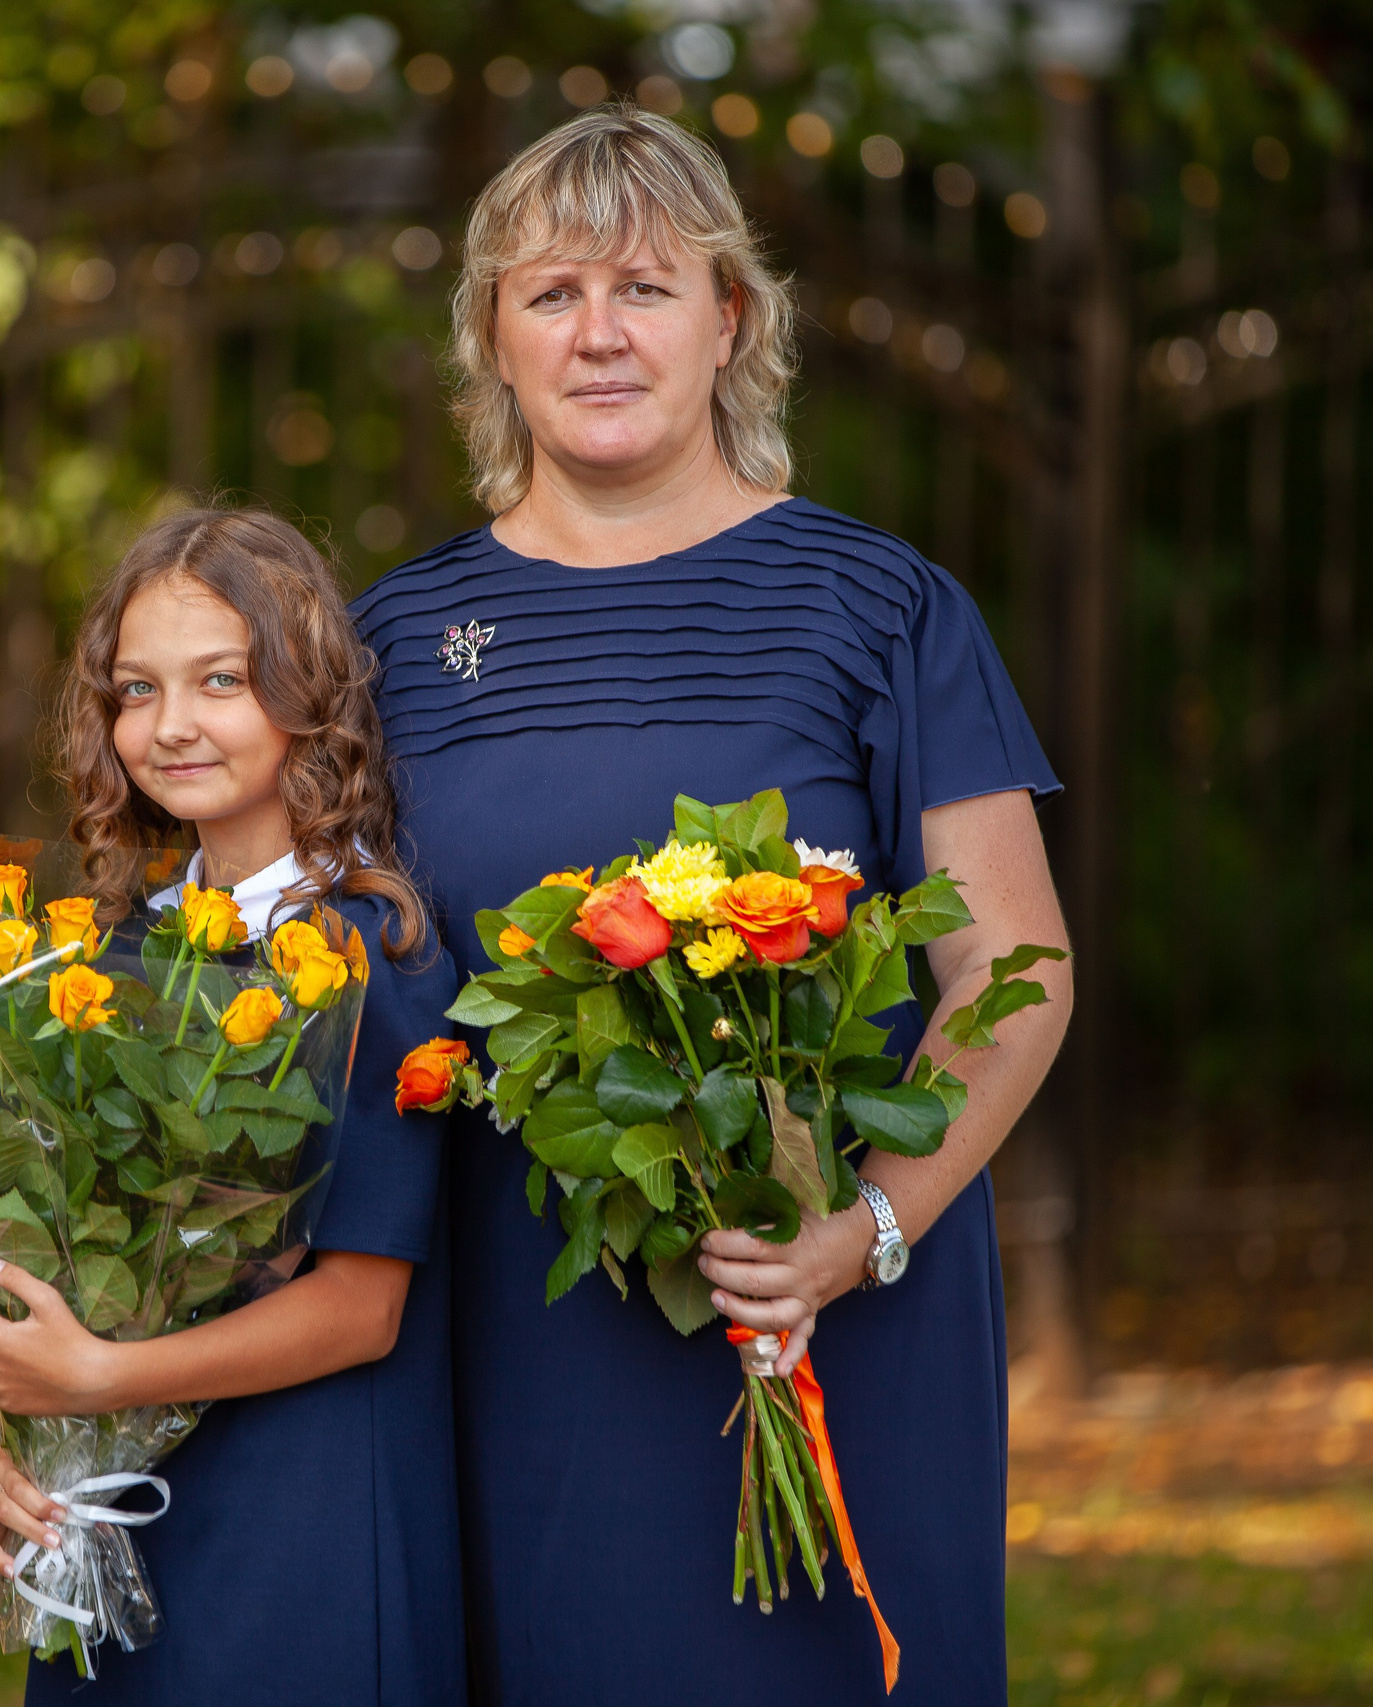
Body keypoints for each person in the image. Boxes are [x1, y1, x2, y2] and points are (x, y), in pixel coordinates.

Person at [349, 106, 1074, 1704]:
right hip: (521, 1335)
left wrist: (861, 1229)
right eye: (552, 294)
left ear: (730, 318)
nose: (599, 333)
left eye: (645, 288)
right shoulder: (391, 641)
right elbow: (328, 996)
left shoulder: (883, 607)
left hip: (833, 1309)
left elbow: (1013, 964)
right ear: (493, 336)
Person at [0, 508, 466, 1706]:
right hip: (118, 1503)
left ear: (308, 696)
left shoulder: (369, 955)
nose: (170, 723)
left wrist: (91, 1383)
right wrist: (34, 1447)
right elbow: (86, 1261)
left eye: (220, 680)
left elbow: (362, 1308)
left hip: (299, 1523)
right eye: (137, 689)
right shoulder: (112, 952)